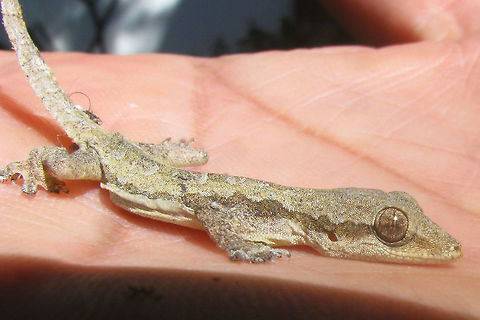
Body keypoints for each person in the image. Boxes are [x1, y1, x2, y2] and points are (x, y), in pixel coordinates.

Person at [0, 1, 478, 318]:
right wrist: (236, 247)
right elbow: (210, 207)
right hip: (114, 164)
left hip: (149, 166)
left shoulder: (286, 219)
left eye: (393, 227)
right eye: (391, 229)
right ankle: (38, 160)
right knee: (64, 169)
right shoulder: (266, 218)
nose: (402, 236)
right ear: (334, 228)